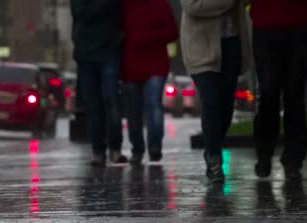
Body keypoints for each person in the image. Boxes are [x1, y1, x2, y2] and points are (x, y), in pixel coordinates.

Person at [180, 0, 251, 183]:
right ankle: (214, 157)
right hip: (201, 47)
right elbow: (192, 6)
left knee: (225, 107)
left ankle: (213, 147)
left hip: (231, 44)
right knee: (211, 99)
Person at [251, 0, 307, 179]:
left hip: (298, 27)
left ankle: (293, 158)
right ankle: (264, 154)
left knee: (294, 93)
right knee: (268, 92)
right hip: (266, 29)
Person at [71, 0, 128, 166]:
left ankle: (114, 148)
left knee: (111, 100)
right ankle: (98, 150)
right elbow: (81, 13)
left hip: (109, 50)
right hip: (86, 54)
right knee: (93, 105)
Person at [122, 0, 178, 165]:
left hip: (155, 64)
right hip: (132, 65)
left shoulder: (160, 5)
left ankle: (153, 147)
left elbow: (173, 33)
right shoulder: (125, 6)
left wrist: (147, 37)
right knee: (134, 110)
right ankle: (138, 149)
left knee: (152, 104)